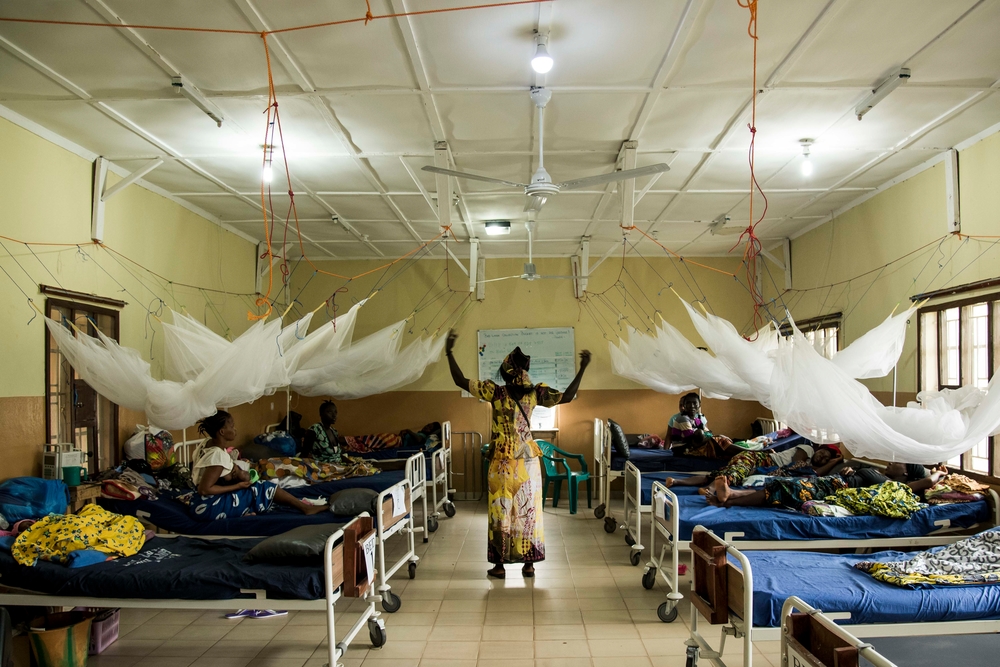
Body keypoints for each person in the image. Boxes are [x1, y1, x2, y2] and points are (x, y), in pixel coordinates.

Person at [445, 330, 591, 579]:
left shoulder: (495, 392)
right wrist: (583, 367)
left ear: (505, 371)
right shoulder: (536, 393)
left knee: (500, 511)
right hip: (527, 463)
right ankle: (529, 564)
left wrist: (449, 353)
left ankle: (500, 566)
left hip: (501, 462)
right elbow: (567, 397)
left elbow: (460, 380)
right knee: (528, 512)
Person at [190, 411, 329, 520]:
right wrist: (237, 486)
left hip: (198, 502)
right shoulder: (217, 455)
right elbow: (205, 489)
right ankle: (305, 508)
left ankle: (245, 508)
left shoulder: (206, 444)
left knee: (252, 487)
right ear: (221, 431)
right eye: (231, 426)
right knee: (263, 487)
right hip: (207, 507)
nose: (235, 429)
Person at [662, 444, 844, 502]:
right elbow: (795, 463)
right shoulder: (807, 450)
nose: (821, 456)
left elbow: (818, 472)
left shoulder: (813, 466)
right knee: (733, 474)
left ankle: (676, 482)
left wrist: (835, 461)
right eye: (822, 452)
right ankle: (711, 490)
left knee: (722, 471)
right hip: (761, 460)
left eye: (825, 458)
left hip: (761, 461)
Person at [667, 393, 739, 459]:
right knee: (714, 441)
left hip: (693, 446)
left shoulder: (696, 420)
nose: (692, 406)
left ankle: (745, 452)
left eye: (694, 403)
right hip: (683, 450)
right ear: (684, 406)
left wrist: (718, 436)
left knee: (719, 442)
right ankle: (745, 452)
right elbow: (692, 441)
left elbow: (708, 433)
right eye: (688, 403)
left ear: (699, 405)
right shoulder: (682, 418)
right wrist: (713, 438)